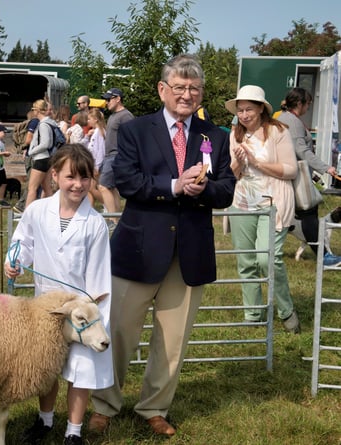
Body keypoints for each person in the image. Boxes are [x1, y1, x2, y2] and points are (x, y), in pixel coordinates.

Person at [89, 54, 236, 437]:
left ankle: (154, 407)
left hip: (189, 253)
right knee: (118, 331)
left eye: (194, 88)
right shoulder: (135, 129)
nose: (187, 94)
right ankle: (104, 403)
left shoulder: (214, 136)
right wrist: (174, 186)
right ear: (162, 89)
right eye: (180, 87)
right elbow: (127, 181)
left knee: (172, 340)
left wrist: (203, 189)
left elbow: (226, 191)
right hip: (138, 250)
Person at [5, 144, 112, 445]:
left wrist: (90, 310)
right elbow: (22, 242)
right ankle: (45, 419)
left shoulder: (95, 224)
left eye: (84, 178)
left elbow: (99, 274)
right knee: (48, 365)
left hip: (81, 309)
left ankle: (73, 431)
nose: (78, 185)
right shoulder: (37, 211)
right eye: (70, 177)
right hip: (49, 308)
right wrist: (14, 262)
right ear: (54, 176)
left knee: (80, 367)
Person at [225, 85, 300, 333]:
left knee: (267, 258)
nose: (244, 115)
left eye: (249, 109)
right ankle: (253, 313)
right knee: (246, 260)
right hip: (242, 201)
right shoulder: (235, 134)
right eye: (240, 110)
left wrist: (257, 162)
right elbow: (231, 174)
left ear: (261, 109)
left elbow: (291, 169)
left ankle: (286, 309)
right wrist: (237, 162)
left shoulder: (278, 131)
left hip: (273, 201)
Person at [277, 87, 341, 265]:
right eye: (308, 103)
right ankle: (324, 256)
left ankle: (323, 254)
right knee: (309, 215)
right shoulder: (293, 122)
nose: (308, 107)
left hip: (295, 174)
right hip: (295, 177)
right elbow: (301, 151)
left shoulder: (285, 118)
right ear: (299, 103)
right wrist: (325, 167)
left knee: (306, 216)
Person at [100, 88, 134, 228]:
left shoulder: (125, 116)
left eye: (109, 99)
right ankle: (117, 220)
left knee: (103, 187)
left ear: (118, 99)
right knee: (111, 188)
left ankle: (112, 221)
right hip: (109, 156)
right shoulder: (114, 115)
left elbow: (132, 138)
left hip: (116, 156)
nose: (106, 102)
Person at [25, 99, 57, 208]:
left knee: (32, 188)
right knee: (47, 187)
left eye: (34, 109)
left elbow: (45, 143)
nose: (33, 112)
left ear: (38, 110)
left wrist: (32, 151)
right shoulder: (50, 123)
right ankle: (53, 210)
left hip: (41, 158)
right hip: (47, 158)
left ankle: (27, 214)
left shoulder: (43, 125)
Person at [13, 108, 40, 213]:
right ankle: (21, 205)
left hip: (30, 155)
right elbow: (28, 140)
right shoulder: (35, 122)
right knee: (32, 183)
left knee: (36, 183)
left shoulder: (33, 122)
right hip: (32, 157)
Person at [86, 108, 106, 209]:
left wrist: (97, 167)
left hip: (96, 165)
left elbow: (100, 151)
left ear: (96, 119)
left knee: (92, 187)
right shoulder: (95, 132)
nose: (88, 121)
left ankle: (106, 204)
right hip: (93, 164)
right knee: (90, 188)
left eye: (89, 119)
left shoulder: (99, 133)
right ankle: (90, 208)